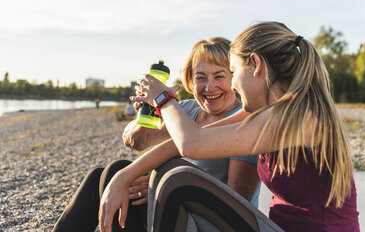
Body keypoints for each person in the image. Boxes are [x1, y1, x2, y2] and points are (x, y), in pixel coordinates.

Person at [99, 22, 360, 232]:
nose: (233, 85)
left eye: (233, 72)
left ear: (255, 65)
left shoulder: (300, 117)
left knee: (179, 180)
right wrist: (124, 176)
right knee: (143, 172)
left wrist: (164, 98)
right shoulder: (263, 112)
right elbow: (184, 144)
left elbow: (192, 144)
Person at [53, 37, 261, 232]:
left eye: (219, 76)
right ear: (190, 80)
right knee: (101, 176)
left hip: (210, 221)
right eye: (200, 77)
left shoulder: (245, 121)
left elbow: (238, 199)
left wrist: (160, 185)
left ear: (234, 78)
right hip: (175, 205)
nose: (209, 87)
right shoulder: (186, 110)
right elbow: (135, 141)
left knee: (117, 176)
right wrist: (146, 111)